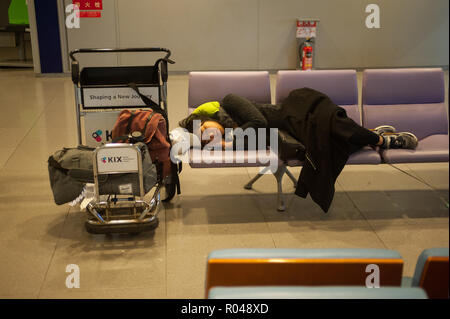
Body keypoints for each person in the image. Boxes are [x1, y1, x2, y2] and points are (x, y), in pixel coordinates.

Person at [179, 88, 419, 212]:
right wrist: (225, 142)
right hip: (291, 129)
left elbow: (261, 123)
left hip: (296, 109)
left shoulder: (229, 101)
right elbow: (258, 137)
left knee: (329, 124)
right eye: (204, 137)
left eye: (204, 128)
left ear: (206, 116)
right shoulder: (231, 135)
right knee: (325, 145)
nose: (208, 134)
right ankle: (374, 135)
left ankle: (382, 141)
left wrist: (228, 143)